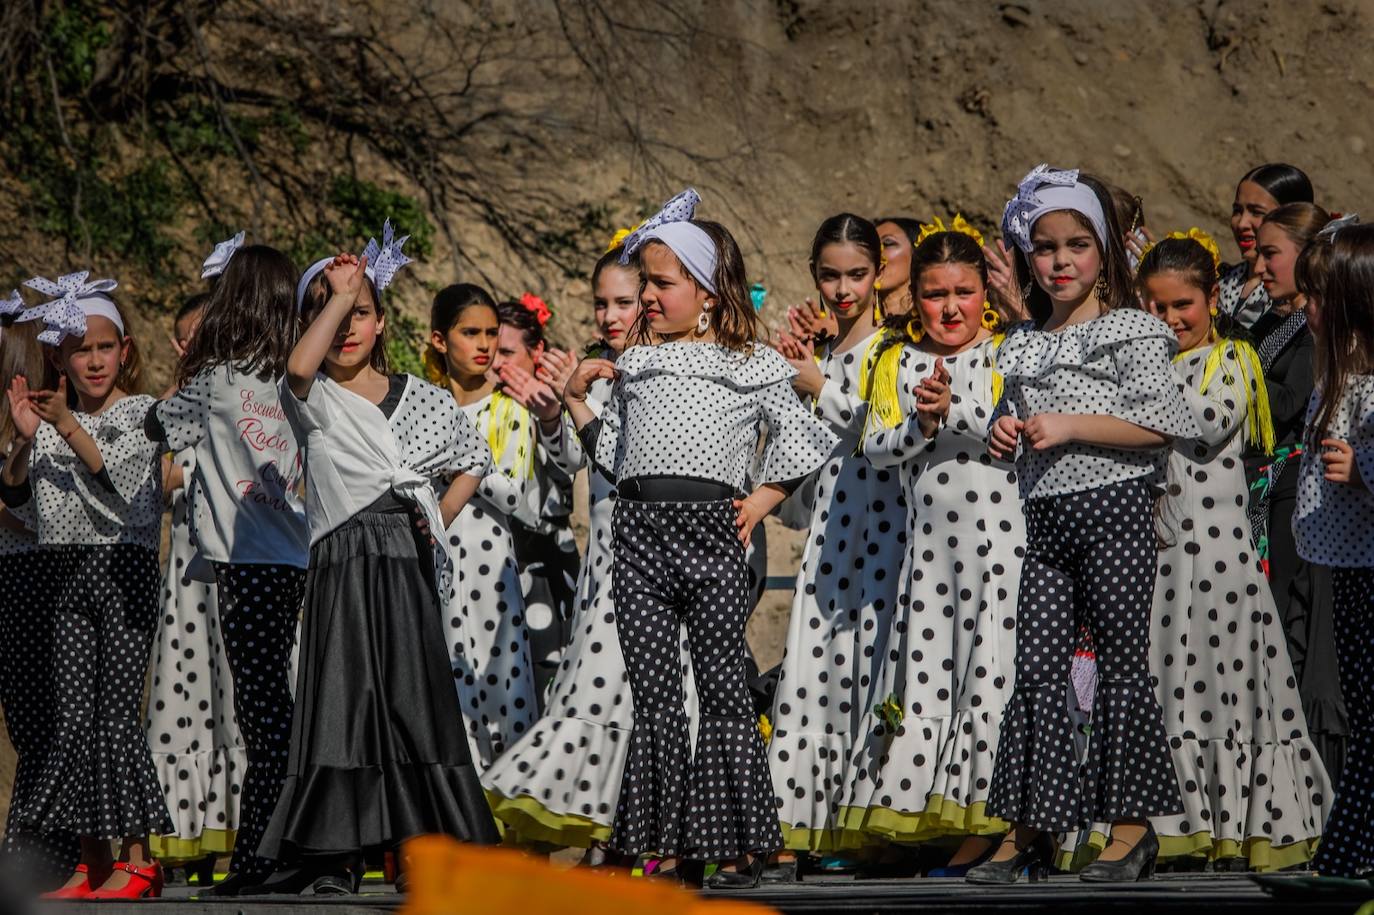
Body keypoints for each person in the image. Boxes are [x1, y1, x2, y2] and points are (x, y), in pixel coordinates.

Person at [563, 189, 836, 888]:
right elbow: (618, 460)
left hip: (714, 535)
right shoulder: (637, 364)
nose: (647, 296)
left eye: (662, 283)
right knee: (656, 699)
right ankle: (668, 851)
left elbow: (807, 436)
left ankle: (745, 843)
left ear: (707, 290)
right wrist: (574, 402)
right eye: (645, 283)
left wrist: (762, 501)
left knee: (721, 689)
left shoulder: (748, 363)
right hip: (640, 539)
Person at [969, 166, 1200, 884]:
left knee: (1121, 669)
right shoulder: (1023, 341)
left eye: (1075, 244)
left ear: (1103, 250)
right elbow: (1012, 416)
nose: (1060, 261)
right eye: (1044, 248)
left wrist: (1069, 424)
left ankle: (1130, 829)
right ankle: (1032, 826)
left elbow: (1163, 425)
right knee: (1036, 670)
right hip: (1047, 522)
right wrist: (1003, 433)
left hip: (1115, 511)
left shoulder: (1131, 328)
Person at [258, 225, 498, 895]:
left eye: (359, 311)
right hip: (342, 560)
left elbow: (472, 458)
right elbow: (300, 367)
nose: (345, 327)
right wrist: (337, 292)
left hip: (403, 560)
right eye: (331, 314)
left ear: (382, 318)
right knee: (343, 702)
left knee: (412, 702)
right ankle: (337, 854)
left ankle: (424, 848)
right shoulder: (310, 398)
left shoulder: (420, 396)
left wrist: (434, 524)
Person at [1138, 231, 1331, 871]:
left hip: (1218, 555)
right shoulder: (1149, 366)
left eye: (1181, 307)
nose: (1170, 322)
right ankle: (1177, 825)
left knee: (1226, 683)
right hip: (1163, 554)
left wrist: (1141, 374)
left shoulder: (1234, 362)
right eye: (1157, 309)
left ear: (1211, 300)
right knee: (1173, 682)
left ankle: (1245, 823)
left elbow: (1208, 423)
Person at [842, 219, 1023, 876]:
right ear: (913, 297)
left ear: (987, 295)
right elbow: (876, 447)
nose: (950, 308)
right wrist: (921, 423)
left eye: (964, 292)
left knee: (990, 674)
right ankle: (933, 814)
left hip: (1000, 547)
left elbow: (1017, 437)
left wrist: (958, 414)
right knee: (930, 681)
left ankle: (996, 820)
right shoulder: (901, 361)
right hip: (929, 556)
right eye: (935, 293)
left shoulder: (1011, 353)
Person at [146, 241, 312, 895]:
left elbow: (158, 424)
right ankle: (284, 846)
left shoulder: (215, 380)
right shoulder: (302, 377)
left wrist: (187, 362)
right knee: (280, 706)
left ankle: (260, 856)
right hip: (298, 558)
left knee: (264, 714)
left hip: (244, 564)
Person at [1, 275, 172, 899]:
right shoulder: (45, 420)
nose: (93, 361)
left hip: (121, 573)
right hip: (63, 575)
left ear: (124, 351)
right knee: (73, 718)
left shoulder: (140, 412)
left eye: (103, 348)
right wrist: (23, 443)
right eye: (79, 350)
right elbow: (17, 496)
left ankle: (139, 858)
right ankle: (90, 860)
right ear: (57, 357)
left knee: (115, 719)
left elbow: (116, 484)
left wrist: (67, 423)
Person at [763, 213, 897, 875]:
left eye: (856, 274)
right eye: (829, 275)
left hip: (883, 526)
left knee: (867, 670)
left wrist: (823, 389)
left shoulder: (894, 350)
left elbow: (892, 433)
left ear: (877, 274)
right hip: (829, 526)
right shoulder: (824, 354)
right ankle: (801, 822)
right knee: (814, 671)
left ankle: (864, 826)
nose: (842, 289)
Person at [144, 291, 245, 886]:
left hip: (240, 561)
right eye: (192, 336)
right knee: (185, 700)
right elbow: (154, 483)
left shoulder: (247, 392)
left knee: (239, 696)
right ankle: (186, 841)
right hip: (186, 569)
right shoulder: (173, 405)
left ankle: (243, 833)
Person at [1249, 202, 1346, 780]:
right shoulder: (1275, 323)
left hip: (1304, 503)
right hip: (1280, 494)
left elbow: (1287, 408)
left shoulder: (1318, 336)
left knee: (1308, 636)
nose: (1259, 266)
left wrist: (1233, 376)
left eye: (1270, 253)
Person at [425, 283, 538, 769]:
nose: (485, 344)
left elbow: (517, 496)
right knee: (445, 682)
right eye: (470, 332)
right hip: (435, 562)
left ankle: (506, 818)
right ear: (438, 339)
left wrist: (459, 460)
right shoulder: (419, 404)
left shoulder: (510, 409)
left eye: (492, 333)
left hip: (493, 569)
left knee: (503, 685)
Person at [1294, 221, 1374, 879]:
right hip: (1350, 567)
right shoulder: (1339, 375)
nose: (1306, 309)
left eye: (1318, 296)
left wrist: (1365, 468)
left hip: (1370, 568)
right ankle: (1346, 851)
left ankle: (1352, 854)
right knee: (1365, 710)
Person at [0, 291, 77, 894]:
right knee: (36, 723)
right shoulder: (20, 432)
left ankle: (47, 848)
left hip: (52, 576)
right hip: (27, 579)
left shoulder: (55, 424)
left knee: (50, 723)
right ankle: (33, 848)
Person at [493, 296, 579, 699]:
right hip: (487, 558)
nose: (497, 364)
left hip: (543, 558)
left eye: (507, 353)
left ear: (537, 351)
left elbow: (571, 464)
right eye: (491, 353)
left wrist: (548, 416)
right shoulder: (476, 402)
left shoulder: (555, 404)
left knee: (549, 673)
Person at [1220, 164, 1315, 329]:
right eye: (1237, 211)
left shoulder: (1304, 304)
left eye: (1256, 212)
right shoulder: (1222, 279)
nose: (1242, 223)